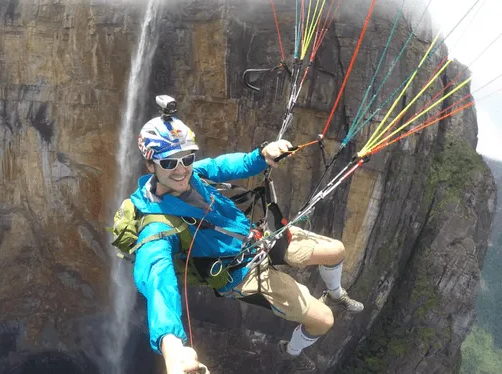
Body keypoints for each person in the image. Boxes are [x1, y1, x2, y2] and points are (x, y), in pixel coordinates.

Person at [130, 97, 364, 373]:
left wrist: (262, 155)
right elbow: (157, 278)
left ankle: (335, 294)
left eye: (187, 158)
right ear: (150, 165)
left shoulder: (194, 176)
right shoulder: (156, 224)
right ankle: (291, 350)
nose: (181, 169)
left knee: (336, 250)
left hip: (257, 239)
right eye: (169, 163)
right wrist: (172, 347)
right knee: (323, 321)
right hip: (242, 275)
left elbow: (223, 165)